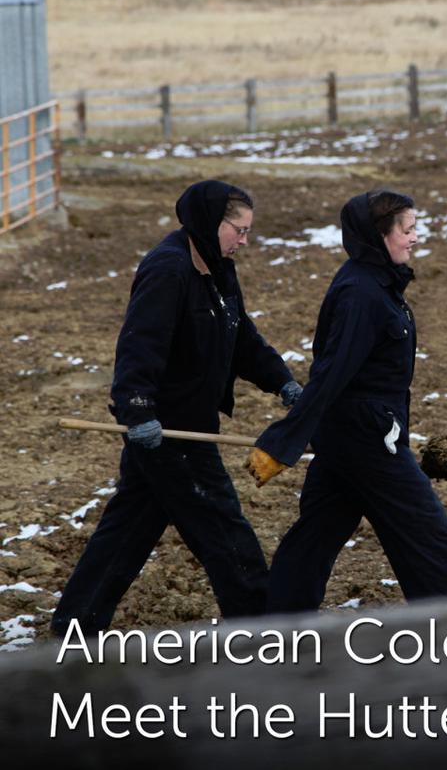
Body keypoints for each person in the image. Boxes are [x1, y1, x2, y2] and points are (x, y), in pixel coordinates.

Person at [51, 180, 302, 636]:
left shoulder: (218, 266)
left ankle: (76, 623)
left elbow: (240, 335)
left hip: (190, 420)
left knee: (130, 528)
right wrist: (138, 411)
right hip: (168, 429)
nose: (244, 241)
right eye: (239, 230)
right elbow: (139, 346)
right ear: (210, 222)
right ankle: (265, 626)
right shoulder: (168, 270)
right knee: (221, 524)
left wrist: (281, 381)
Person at [246, 189, 447, 613]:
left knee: (315, 536)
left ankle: (277, 624)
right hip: (368, 440)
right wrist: (284, 441)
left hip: (352, 433)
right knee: (427, 533)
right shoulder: (362, 293)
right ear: (379, 234)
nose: (415, 238)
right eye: (407, 230)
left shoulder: (376, 281)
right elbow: (331, 376)